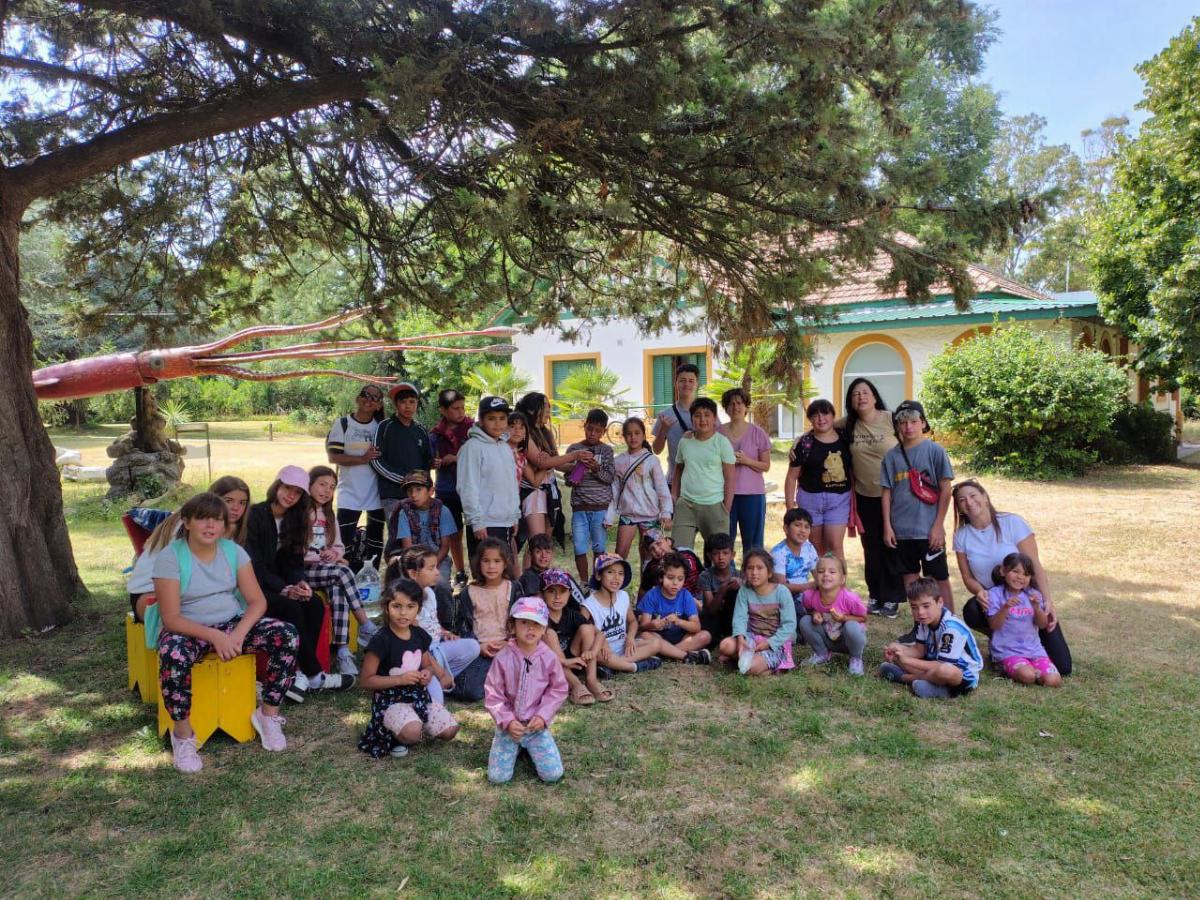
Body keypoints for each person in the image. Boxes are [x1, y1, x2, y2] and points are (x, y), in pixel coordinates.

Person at [152, 492, 299, 772]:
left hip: (231, 622)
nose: (211, 526)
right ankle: (182, 735)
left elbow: (257, 601)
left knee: (286, 634)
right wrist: (215, 636)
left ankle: (268, 715)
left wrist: (238, 634)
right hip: (188, 628)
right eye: (203, 519)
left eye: (217, 520)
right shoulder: (170, 557)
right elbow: (171, 618)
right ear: (186, 522)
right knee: (173, 654)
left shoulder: (233, 552)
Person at [245, 465, 353, 700]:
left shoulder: (294, 519)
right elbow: (255, 565)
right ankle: (315, 675)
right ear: (277, 486)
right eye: (287, 488)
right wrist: (284, 588)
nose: (290, 496)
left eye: (297, 492)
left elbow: (294, 562)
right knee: (291, 607)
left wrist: (300, 583)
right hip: (254, 586)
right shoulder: (256, 515)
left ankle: (300, 675)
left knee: (312, 602)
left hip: (282, 583)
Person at [951, 479, 1072, 675]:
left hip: (1027, 600)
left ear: (985, 496)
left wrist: (1047, 601)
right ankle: (1004, 644)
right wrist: (979, 591)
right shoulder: (961, 536)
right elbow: (967, 577)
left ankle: (1028, 639)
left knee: (1063, 667)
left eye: (973, 496)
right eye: (962, 500)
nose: (969, 502)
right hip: (998, 602)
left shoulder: (1013, 522)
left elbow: (1036, 566)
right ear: (959, 508)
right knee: (972, 609)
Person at [357, 577, 459, 759]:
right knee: (412, 733)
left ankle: (413, 722)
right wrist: (399, 679)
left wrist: (429, 673)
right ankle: (395, 734)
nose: (403, 613)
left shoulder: (419, 635)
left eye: (410, 606)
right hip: (390, 701)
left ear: (418, 608)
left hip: (418, 696)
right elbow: (366, 680)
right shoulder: (381, 640)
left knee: (450, 730)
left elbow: (428, 664)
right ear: (386, 607)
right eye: (397, 606)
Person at [127, 475, 251, 622]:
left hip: (189, 593)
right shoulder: (190, 525)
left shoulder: (229, 529)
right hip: (148, 593)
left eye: (242, 503)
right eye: (228, 501)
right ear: (212, 499)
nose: (235, 508)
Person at [484, 596, 570, 784]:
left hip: (536, 727)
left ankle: (529, 747)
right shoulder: (503, 657)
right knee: (497, 778)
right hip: (509, 727)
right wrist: (507, 721)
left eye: (537, 624)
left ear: (544, 628)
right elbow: (493, 693)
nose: (531, 629)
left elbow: (558, 689)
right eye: (524, 622)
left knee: (553, 775)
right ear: (512, 626)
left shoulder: (549, 657)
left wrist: (542, 716)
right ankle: (515, 746)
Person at [880, 400, 955, 616]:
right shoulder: (892, 456)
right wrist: (887, 526)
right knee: (910, 578)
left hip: (929, 529)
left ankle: (949, 622)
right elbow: (887, 492)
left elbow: (946, 489)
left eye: (914, 421)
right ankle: (920, 624)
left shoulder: (935, 451)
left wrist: (938, 526)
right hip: (901, 530)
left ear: (923, 423)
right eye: (903, 423)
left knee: (938, 577)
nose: (908, 427)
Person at [305, 465, 379, 676]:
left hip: (327, 570)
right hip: (305, 572)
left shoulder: (329, 515)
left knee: (338, 588)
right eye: (322, 484)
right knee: (342, 573)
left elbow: (338, 545)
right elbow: (293, 549)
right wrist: (319, 556)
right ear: (309, 485)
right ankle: (365, 624)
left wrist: (334, 554)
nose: (327, 491)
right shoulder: (300, 513)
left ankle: (342, 651)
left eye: (332, 487)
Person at [839, 378, 900, 616]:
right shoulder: (848, 424)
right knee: (871, 546)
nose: (861, 397)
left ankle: (892, 598)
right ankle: (875, 595)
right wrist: (798, 442)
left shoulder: (890, 419)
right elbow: (820, 425)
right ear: (851, 401)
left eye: (865, 392)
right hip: (864, 495)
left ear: (874, 397)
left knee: (891, 544)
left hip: (894, 494)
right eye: (855, 394)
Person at [393, 545, 482, 704]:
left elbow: (432, 622)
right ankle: (436, 680)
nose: (437, 572)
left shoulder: (429, 592)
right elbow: (418, 645)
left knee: (473, 646)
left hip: (436, 649)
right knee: (436, 703)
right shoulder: (406, 603)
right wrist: (440, 673)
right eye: (431, 568)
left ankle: (442, 678)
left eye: (437, 567)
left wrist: (444, 632)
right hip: (419, 658)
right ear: (413, 574)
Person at [879, 577, 982, 699]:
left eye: (926, 606)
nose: (920, 612)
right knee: (897, 655)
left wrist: (906, 660)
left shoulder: (952, 628)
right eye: (914, 607)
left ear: (940, 602)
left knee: (944, 671)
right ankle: (934, 687)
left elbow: (942, 665)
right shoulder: (925, 621)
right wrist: (898, 651)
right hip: (934, 667)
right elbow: (918, 650)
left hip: (961, 675)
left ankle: (905, 678)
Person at [447, 537, 522, 702]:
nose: (491, 566)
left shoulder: (514, 588)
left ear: (505, 563)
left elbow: (522, 621)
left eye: (497, 561)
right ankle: (499, 682)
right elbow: (462, 627)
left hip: (510, 647)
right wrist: (479, 647)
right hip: (480, 651)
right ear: (478, 563)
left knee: (529, 676)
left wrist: (510, 642)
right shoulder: (469, 592)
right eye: (486, 561)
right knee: (470, 691)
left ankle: (503, 680)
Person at [515, 392, 586, 563]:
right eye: (546, 406)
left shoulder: (545, 432)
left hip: (549, 490)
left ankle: (541, 579)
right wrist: (574, 456)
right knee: (536, 542)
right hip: (533, 491)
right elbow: (541, 461)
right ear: (534, 410)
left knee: (545, 542)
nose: (549, 410)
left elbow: (554, 462)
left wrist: (577, 467)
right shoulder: (526, 432)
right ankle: (529, 582)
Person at [784, 398, 854, 559]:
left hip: (838, 500)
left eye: (825, 414)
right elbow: (791, 477)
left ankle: (839, 583)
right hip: (810, 500)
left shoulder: (845, 437)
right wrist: (790, 508)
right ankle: (820, 583)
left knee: (835, 546)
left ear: (833, 416)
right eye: (815, 416)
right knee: (816, 549)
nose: (821, 419)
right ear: (810, 420)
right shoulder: (804, 443)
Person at [325, 384, 386, 568]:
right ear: (358, 399)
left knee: (375, 541)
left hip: (376, 493)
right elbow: (333, 456)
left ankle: (371, 578)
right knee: (343, 540)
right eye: (365, 395)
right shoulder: (343, 424)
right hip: (349, 493)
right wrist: (363, 458)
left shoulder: (381, 427)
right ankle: (345, 577)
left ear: (379, 405)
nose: (369, 399)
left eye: (375, 398)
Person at [457, 396, 521, 561]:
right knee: (486, 575)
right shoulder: (472, 448)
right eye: (491, 419)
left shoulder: (505, 447)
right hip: (485, 524)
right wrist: (477, 522)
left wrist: (514, 515)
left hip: (505, 522)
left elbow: (511, 485)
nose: (498, 423)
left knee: (503, 574)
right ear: (481, 420)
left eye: (502, 418)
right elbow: (467, 487)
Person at [984, 552, 1063, 687]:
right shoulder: (995, 594)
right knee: (1028, 676)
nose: (1020, 577)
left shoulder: (1034, 595)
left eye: (1026, 574)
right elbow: (994, 625)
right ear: (1003, 571)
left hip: (1034, 650)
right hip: (1007, 651)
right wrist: (1005, 608)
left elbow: (1043, 624)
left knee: (1054, 681)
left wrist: (1037, 608)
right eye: (1016, 571)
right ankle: (1002, 665)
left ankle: (1034, 670)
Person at [371, 381, 433, 547]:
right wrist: (405, 480)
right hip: (393, 495)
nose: (408, 406)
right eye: (403, 402)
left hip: (419, 495)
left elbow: (427, 461)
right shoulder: (384, 427)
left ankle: (418, 572)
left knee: (420, 536)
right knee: (399, 537)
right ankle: (397, 570)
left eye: (412, 402)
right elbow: (376, 461)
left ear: (417, 404)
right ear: (395, 404)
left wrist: (426, 483)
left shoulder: (420, 429)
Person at [671, 397, 736, 553]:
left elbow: (730, 478)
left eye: (707, 415)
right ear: (692, 418)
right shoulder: (685, 442)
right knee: (680, 554)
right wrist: (675, 496)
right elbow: (678, 470)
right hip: (686, 505)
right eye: (698, 415)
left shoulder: (722, 442)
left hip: (714, 506)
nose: (702, 419)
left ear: (714, 418)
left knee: (719, 556)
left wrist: (725, 508)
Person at [606, 416, 672, 568]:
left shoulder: (652, 460)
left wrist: (666, 512)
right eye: (629, 434)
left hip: (650, 514)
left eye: (637, 433)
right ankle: (617, 589)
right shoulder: (618, 461)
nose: (633, 437)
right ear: (623, 437)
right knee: (619, 557)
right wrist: (609, 516)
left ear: (643, 435)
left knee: (650, 560)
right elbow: (614, 490)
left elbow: (662, 488)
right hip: (628, 515)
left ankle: (646, 590)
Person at [582, 553, 664, 674]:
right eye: (610, 572)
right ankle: (633, 667)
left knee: (656, 643)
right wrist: (602, 643)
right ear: (599, 575)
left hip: (622, 645)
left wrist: (630, 638)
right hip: (603, 649)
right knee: (595, 656)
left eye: (620, 573)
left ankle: (614, 666)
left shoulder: (623, 596)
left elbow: (632, 622)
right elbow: (584, 631)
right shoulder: (589, 604)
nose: (616, 577)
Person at [718, 549, 796, 676]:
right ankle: (747, 658)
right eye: (750, 568)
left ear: (769, 572)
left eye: (760, 568)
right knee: (725, 646)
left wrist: (769, 643)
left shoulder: (782, 592)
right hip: (751, 637)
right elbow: (740, 617)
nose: (754, 572)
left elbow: (789, 625)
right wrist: (740, 639)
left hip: (775, 642)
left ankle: (770, 668)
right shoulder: (744, 591)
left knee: (749, 668)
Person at [539, 568, 609, 705]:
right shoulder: (539, 617)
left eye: (562, 592)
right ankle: (575, 685)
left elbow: (599, 634)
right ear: (542, 594)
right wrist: (565, 662)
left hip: (575, 661)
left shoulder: (571, 614)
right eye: (551, 591)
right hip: (553, 665)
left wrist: (592, 652)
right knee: (549, 633)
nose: (557, 597)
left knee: (586, 629)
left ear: (569, 593)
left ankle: (591, 680)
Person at [565, 409, 617, 582]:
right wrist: (573, 477)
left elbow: (609, 478)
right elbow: (567, 477)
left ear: (604, 431)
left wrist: (596, 469)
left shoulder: (607, 451)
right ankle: (584, 582)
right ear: (584, 425)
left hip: (600, 509)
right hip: (580, 507)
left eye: (597, 430)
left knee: (599, 548)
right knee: (579, 547)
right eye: (589, 429)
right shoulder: (574, 449)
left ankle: (597, 581)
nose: (592, 433)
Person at [718, 387, 771, 551]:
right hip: (724, 494)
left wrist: (747, 460)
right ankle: (727, 575)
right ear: (726, 408)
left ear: (746, 406)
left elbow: (766, 466)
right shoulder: (717, 433)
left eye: (739, 403)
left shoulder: (758, 433)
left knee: (753, 543)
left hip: (753, 495)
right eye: (731, 404)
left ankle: (752, 575)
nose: (735, 407)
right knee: (724, 541)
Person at [635, 552, 713, 664]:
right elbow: (643, 625)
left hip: (681, 638)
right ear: (661, 578)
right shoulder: (652, 595)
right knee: (645, 635)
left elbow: (696, 627)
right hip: (659, 637)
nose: (675, 583)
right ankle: (681, 655)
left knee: (705, 636)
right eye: (670, 578)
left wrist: (678, 621)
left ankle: (665, 653)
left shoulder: (686, 595)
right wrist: (652, 624)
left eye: (680, 579)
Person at [384, 470, 458, 584]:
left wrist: (432, 565)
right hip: (414, 560)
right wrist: (420, 568)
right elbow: (408, 548)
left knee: (441, 585)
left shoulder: (443, 511)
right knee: (407, 585)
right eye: (410, 491)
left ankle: (446, 602)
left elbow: (445, 546)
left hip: (439, 559)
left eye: (418, 489)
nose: (413, 495)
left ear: (431, 491)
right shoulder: (404, 513)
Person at [797, 554, 868, 675]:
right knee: (805, 621)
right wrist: (814, 613)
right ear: (815, 576)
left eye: (832, 572)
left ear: (842, 579)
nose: (826, 574)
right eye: (821, 571)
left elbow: (863, 617)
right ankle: (822, 653)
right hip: (827, 639)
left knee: (851, 626)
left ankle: (856, 658)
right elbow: (808, 610)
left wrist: (844, 618)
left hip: (848, 642)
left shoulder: (850, 599)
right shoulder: (809, 596)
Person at [430, 388, 473, 586]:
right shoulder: (436, 434)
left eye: (462, 407)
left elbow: (478, 457)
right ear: (443, 410)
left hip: (472, 489)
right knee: (454, 533)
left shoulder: (473, 430)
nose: (460, 412)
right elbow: (428, 460)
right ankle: (461, 572)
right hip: (447, 490)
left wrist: (455, 458)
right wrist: (435, 462)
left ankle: (479, 572)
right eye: (455, 408)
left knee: (476, 532)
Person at [651, 362, 701, 484]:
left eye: (691, 381)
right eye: (682, 380)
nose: (687, 384)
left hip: (702, 480)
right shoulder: (665, 415)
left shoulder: (707, 413)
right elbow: (656, 450)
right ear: (676, 384)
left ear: (696, 384)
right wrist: (663, 429)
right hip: (675, 480)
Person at [518, 533, 588, 607]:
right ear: (531, 554)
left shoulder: (554, 574)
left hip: (561, 610)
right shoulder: (529, 577)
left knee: (565, 577)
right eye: (538, 552)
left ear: (552, 554)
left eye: (547, 552)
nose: (544, 556)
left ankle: (583, 609)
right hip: (540, 613)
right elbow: (535, 603)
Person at [698, 532, 740, 646]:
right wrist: (722, 589)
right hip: (713, 616)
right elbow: (711, 609)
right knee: (708, 636)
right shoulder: (705, 576)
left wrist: (742, 586)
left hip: (732, 617)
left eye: (725, 553)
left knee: (735, 591)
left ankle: (730, 635)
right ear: (709, 556)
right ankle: (719, 637)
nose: (721, 558)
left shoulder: (739, 575)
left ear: (733, 555)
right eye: (716, 554)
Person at [771, 508, 819, 605]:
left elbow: (818, 573)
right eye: (797, 525)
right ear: (786, 528)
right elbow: (781, 587)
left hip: (806, 595)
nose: (802, 531)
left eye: (807, 527)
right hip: (785, 598)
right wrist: (809, 586)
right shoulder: (778, 552)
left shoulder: (809, 547)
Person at [638, 531, 702, 600]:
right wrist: (639, 609)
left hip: (698, 598)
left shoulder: (688, 554)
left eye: (658, 543)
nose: (656, 550)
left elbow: (703, 575)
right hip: (672, 604)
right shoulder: (651, 568)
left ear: (668, 541)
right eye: (652, 549)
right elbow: (643, 590)